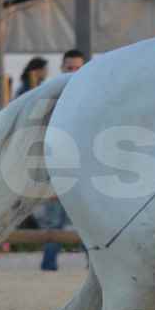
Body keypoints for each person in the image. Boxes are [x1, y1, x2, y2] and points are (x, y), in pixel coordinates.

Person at [37, 52, 87, 270]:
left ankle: (95, 267)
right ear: (62, 68)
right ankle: (49, 265)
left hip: (85, 166)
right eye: (69, 68)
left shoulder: (92, 94)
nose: (73, 72)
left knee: (90, 219)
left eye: (77, 68)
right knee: (54, 220)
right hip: (56, 163)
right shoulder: (51, 97)